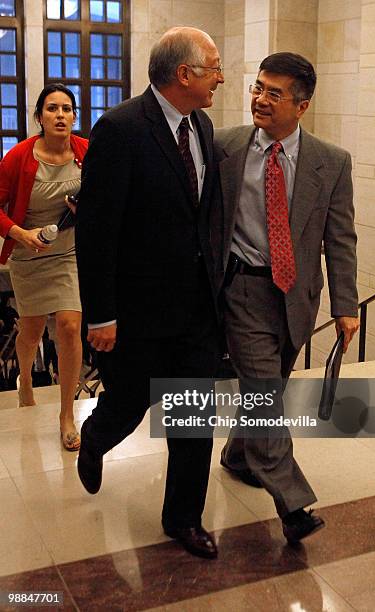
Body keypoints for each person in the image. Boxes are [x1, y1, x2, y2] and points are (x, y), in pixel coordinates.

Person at [75, 27, 224, 559]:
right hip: (137, 311)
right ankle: (94, 439)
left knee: (192, 416)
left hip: (196, 311)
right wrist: (102, 315)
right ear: (184, 74)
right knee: (132, 400)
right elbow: (96, 232)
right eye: (213, 66)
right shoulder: (119, 130)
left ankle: (183, 517)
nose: (221, 77)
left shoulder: (202, 125)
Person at [213, 52, 360, 544]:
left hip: (296, 295)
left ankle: (237, 455)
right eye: (258, 87)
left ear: (302, 106)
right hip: (242, 287)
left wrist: (345, 304)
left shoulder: (331, 162)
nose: (260, 99)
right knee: (264, 391)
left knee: (266, 388)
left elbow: (340, 238)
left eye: (274, 93)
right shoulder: (225, 147)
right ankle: (294, 504)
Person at [0, 83, 87, 451]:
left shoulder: (86, 151)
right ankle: (25, 380)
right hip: (28, 253)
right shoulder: (18, 157)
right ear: (39, 117)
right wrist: (20, 233)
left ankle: (67, 415)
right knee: (32, 331)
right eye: (52, 109)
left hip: (68, 253)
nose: (61, 115)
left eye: (67, 109)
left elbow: (104, 195)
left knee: (69, 326)